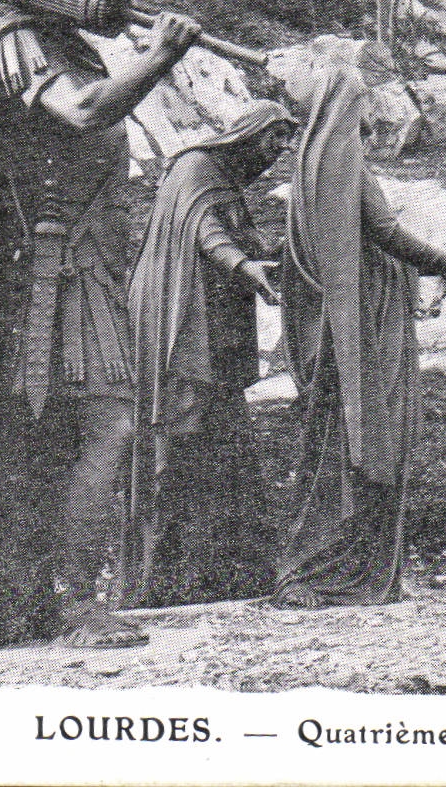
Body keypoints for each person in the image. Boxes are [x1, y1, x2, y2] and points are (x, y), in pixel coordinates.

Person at [0, 0, 202, 649]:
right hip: (55, 272)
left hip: (87, 264)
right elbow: (83, 112)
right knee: (103, 427)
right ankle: (73, 604)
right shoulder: (23, 40)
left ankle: (39, 602)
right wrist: (160, 56)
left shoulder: (67, 44)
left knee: (61, 439)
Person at [268, 51, 446, 608]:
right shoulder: (344, 164)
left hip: (345, 322)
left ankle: (342, 566)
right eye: (363, 105)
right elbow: (389, 234)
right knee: (362, 440)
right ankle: (334, 570)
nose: (371, 121)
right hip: (365, 328)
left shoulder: (312, 164)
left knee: (336, 443)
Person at [126, 102, 298, 607]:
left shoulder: (226, 184)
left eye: (289, 141)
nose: (280, 151)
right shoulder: (195, 166)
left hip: (214, 333)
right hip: (182, 329)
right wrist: (245, 266)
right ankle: (168, 583)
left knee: (226, 447)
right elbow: (208, 234)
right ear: (247, 133)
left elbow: (233, 238)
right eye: (275, 139)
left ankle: (229, 576)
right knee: (182, 444)